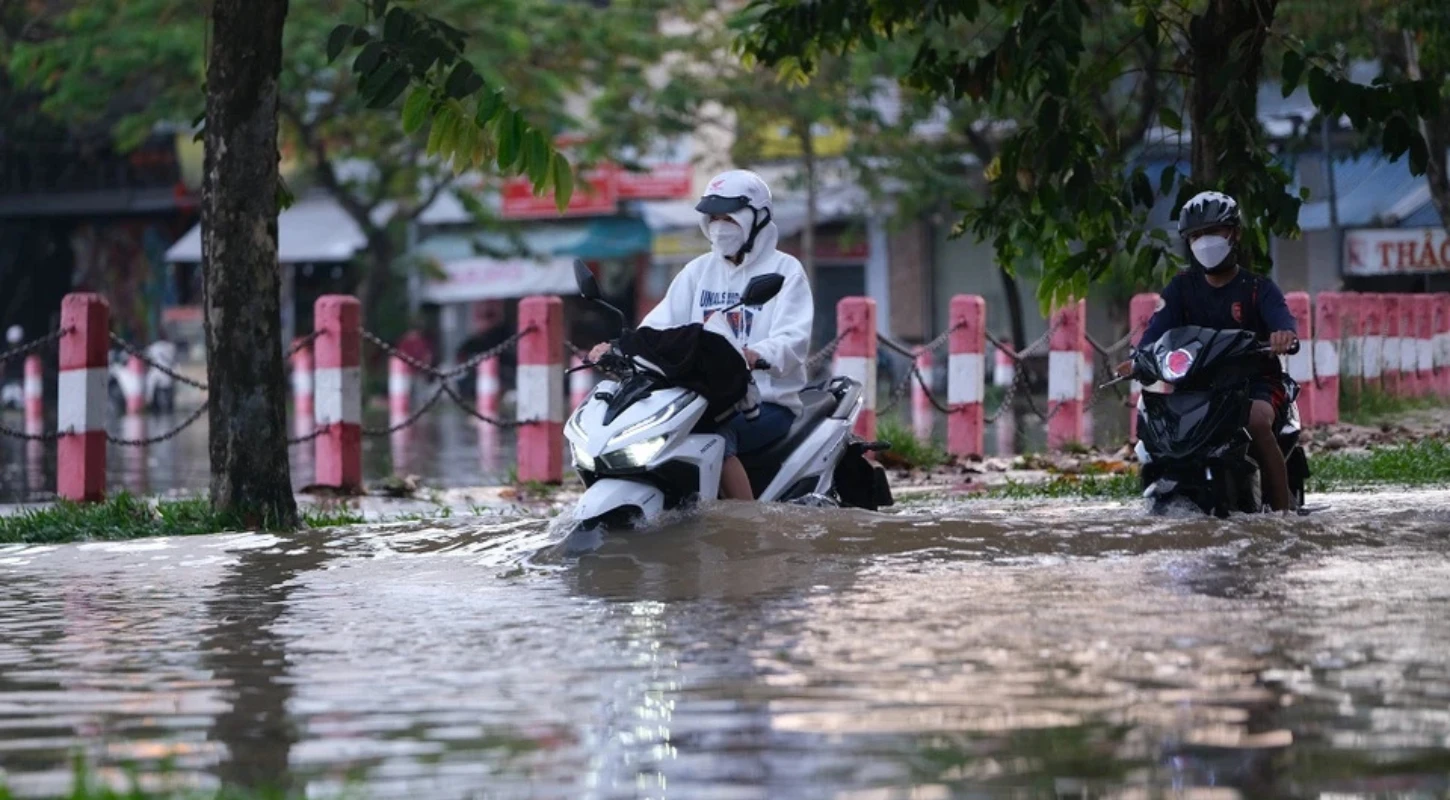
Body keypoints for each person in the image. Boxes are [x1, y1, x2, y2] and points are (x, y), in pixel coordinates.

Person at [590, 169, 814, 500]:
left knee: (712, 437)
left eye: (730, 217)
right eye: (714, 217)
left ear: (758, 218)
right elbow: (659, 327)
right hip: (700, 398)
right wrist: (622, 348)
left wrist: (757, 354)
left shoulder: (785, 271)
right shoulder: (698, 271)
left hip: (766, 401)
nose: (720, 226)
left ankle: (747, 527)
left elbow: (793, 338)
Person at [1118, 190, 1300, 512]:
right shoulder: (1180, 288)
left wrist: (1283, 335)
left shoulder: (1259, 288)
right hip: (1196, 386)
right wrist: (1137, 359)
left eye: (1213, 231)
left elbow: (1282, 321)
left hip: (1254, 384)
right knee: (1156, 429)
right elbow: (1156, 331)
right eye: (1197, 235)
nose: (1205, 241)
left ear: (1234, 234)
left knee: (1258, 421)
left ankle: (1280, 514)